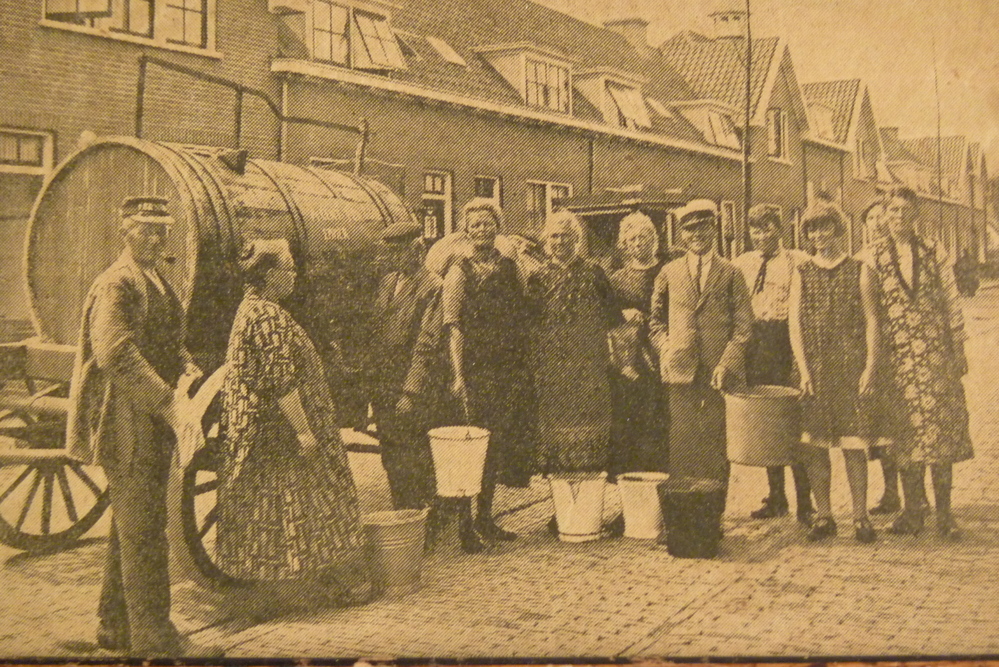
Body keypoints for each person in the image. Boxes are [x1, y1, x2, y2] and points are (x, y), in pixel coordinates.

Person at [67, 197, 217, 657]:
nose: (155, 239)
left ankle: (114, 626)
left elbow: (168, 341)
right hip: (125, 421)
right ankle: (155, 639)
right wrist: (168, 401)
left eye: (161, 231)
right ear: (125, 233)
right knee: (146, 532)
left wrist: (186, 364)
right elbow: (116, 353)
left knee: (131, 525)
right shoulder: (118, 282)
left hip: (148, 419)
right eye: (145, 230)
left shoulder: (156, 280)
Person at [215, 239, 372, 607]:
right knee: (311, 499)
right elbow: (282, 381)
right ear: (270, 275)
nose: (295, 274)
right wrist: (304, 431)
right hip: (281, 430)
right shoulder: (266, 315)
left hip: (264, 428)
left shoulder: (252, 308)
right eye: (289, 268)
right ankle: (311, 587)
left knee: (277, 508)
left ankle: (276, 589)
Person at [868, 186, 973, 539]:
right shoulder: (871, 256)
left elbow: (951, 300)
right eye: (893, 211)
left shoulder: (933, 250)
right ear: (885, 215)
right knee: (904, 432)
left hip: (934, 355)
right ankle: (913, 510)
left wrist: (958, 347)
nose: (899, 217)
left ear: (916, 215)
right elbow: (867, 312)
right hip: (895, 360)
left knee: (940, 430)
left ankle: (945, 514)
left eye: (905, 211)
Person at [649, 199, 753, 516]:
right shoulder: (669, 272)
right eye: (690, 229)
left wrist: (727, 363)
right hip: (680, 372)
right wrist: (666, 347)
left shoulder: (732, 273)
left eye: (703, 227)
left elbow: (744, 327)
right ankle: (682, 519)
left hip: (718, 374)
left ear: (714, 228)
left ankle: (711, 519)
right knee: (682, 443)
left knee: (714, 444)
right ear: (681, 234)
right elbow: (655, 321)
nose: (696, 235)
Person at [439, 198, 534, 543]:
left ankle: (486, 518)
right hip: (474, 370)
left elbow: (526, 306)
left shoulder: (511, 266)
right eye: (475, 225)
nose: (482, 229)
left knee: (494, 445)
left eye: (487, 223)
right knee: (470, 447)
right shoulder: (458, 272)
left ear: (497, 227)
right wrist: (458, 375)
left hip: (506, 369)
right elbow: (453, 326)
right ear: (466, 231)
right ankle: (466, 526)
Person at [789, 202, 879, 543]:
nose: (818, 235)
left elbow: (872, 321)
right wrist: (803, 368)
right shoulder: (802, 272)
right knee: (815, 446)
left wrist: (870, 366)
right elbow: (795, 324)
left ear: (838, 229)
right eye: (812, 229)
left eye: (824, 227)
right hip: (814, 369)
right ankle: (824, 515)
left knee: (853, 445)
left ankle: (860, 516)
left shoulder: (860, 270)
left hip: (849, 368)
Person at [526, 211, 621, 533]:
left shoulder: (594, 273)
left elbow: (614, 319)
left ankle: (588, 511)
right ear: (546, 241)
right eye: (554, 236)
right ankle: (563, 512)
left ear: (577, 239)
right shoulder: (537, 278)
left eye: (566, 235)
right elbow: (531, 327)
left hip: (589, 370)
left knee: (592, 439)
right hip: (554, 372)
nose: (560, 242)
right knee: (557, 443)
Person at [734, 204, 815, 525]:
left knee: (794, 421)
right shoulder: (742, 263)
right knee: (767, 420)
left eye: (767, 228)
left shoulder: (798, 261)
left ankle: (805, 501)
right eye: (755, 229)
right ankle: (777, 496)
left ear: (779, 230)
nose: (761, 235)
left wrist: (800, 357)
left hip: (787, 341)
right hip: (757, 345)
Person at [363, 222, 440, 515]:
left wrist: (410, 392)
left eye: (399, 252)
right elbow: (376, 328)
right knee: (391, 454)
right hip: (383, 384)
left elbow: (426, 343)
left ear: (417, 251)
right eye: (390, 252)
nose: (392, 258)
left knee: (415, 453)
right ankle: (402, 512)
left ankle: (424, 517)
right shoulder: (388, 281)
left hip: (411, 385)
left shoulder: (433, 286)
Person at [607, 211, 670, 479]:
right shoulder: (617, 278)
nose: (637, 243)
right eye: (631, 239)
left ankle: (659, 476)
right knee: (630, 414)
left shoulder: (667, 270)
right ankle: (630, 479)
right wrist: (623, 313)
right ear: (624, 244)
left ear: (653, 239)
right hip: (629, 357)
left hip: (660, 350)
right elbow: (607, 313)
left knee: (658, 414)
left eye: (643, 237)